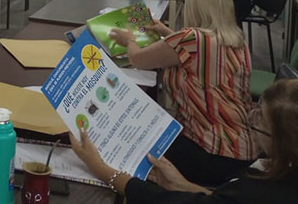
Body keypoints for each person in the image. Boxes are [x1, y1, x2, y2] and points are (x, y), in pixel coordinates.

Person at [107, 0, 257, 186]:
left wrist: (129, 39)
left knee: (134, 143)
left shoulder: (190, 38)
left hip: (211, 151)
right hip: (242, 148)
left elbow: (138, 59)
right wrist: (167, 32)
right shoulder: (236, 38)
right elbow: (196, 54)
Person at [69, 78, 298, 203]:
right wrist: (182, 185)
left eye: (261, 122)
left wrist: (103, 170)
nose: (253, 123)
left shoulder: (267, 191)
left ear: (282, 143)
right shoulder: (277, 175)